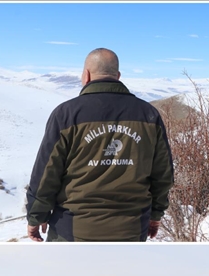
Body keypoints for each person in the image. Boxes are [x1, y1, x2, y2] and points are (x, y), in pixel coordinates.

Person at [26, 48, 174, 242]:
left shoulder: (66, 114)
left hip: (72, 229)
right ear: (118, 76)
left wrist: (37, 215)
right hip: (131, 229)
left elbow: (47, 173)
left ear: (86, 75)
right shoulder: (148, 114)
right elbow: (163, 174)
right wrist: (155, 215)